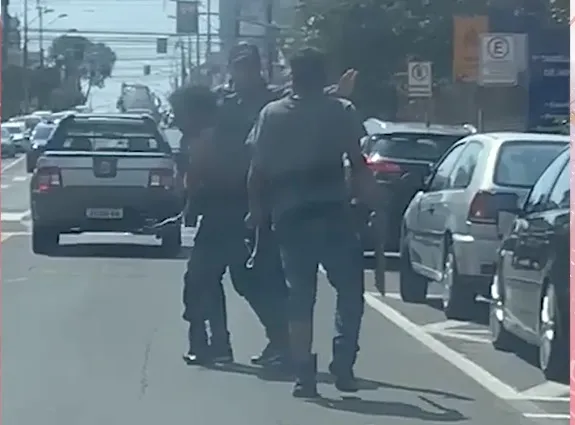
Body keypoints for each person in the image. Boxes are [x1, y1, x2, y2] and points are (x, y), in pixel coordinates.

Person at [245, 47, 380, 398]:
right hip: (333, 215)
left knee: (300, 297)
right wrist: (372, 200)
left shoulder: (272, 114)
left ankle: (305, 374)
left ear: (293, 75)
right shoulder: (342, 111)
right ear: (323, 77)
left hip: (290, 218)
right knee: (350, 292)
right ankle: (344, 363)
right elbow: (358, 161)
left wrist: (256, 211)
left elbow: (257, 171)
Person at [172, 45, 291, 366]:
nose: (242, 74)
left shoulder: (275, 102)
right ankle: (212, 343)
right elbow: (199, 143)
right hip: (218, 203)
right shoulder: (222, 104)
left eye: (248, 67)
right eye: (237, 67)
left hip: (254, 203)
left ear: (259, 68)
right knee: (201, 278)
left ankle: (283, 342)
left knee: (250, 279)